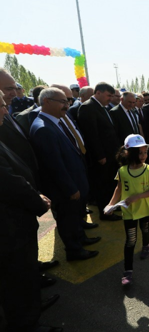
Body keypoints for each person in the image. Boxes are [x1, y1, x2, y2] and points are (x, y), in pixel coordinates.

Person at [0, 90, 63, 332]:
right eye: (2, 105)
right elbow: (8, 181)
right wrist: (38, 201)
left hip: (16, 221)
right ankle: (26, 324)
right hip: (9, 228)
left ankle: (31, 308)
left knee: (24, 276)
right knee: (16, 279)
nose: (7, 109)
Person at [31, 87, 100, 261]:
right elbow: (54, 165)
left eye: (68, 102)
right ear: (46, 102)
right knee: (68, 220)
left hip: (74, 180)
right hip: (65, 188)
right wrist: (70, 188)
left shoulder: (56, 122)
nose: (67, 105)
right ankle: (74, 251)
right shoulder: (43, 128)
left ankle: (81, 239)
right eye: (62, 102)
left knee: (75, 217)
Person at [105, 134, 149, 285]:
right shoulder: (122, 171)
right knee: (130, 240)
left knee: (145, 228)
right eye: (140, 152)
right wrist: (110, 205)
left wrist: (138, 196)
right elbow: (119, 189)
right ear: (129, 153)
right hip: (128, 212)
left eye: (145, 152)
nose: (143, 156)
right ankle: (128, 271)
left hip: (144, 209)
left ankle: (146, 245)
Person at [77, 81, 122, 221]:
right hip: (102, 157)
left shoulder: (101, 107)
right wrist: (100, 155)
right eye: (109, 95)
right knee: (103, 185)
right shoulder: (88, 108)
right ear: (98, 93)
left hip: (110, 154)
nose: (111, 99)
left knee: (111, 183)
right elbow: (91, 136)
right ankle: (105, 212)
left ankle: (112, 205)